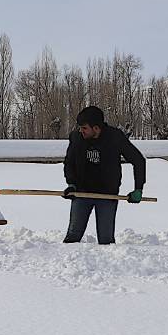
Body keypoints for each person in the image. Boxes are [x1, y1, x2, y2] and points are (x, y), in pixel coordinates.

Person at [62, 105, 146, 245]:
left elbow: (138, 161)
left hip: (107, 194)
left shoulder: (115, 137)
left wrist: (138, 188)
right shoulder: (77, 138)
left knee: (106, 241)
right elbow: (69, 163)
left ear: (96, 128)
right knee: (72, 237)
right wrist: (71, 184)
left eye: (84, 128)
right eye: (80, 127)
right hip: (82, 193)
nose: (81, 131)